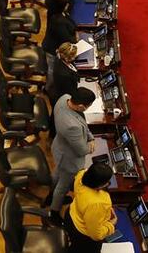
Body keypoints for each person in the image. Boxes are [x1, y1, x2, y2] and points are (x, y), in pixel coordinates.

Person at [49, 87, 97, 220]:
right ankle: (54, 211)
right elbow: (82, 150)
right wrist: (91, 146)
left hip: (59, 147)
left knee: (57, 172)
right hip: (69, 158)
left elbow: (82, 122)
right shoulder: (71, 126)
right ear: (81, 106)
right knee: (63, 186)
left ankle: (50, 193)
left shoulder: (64, 97)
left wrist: (90, 136)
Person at [65, 162, 117, 251]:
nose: (108, 183)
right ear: (100, 185)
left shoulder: (81, 175)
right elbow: (96, 235)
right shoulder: (98, 203)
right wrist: (111, 225)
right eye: (107, 182)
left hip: (71, 216)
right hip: (82, 234)